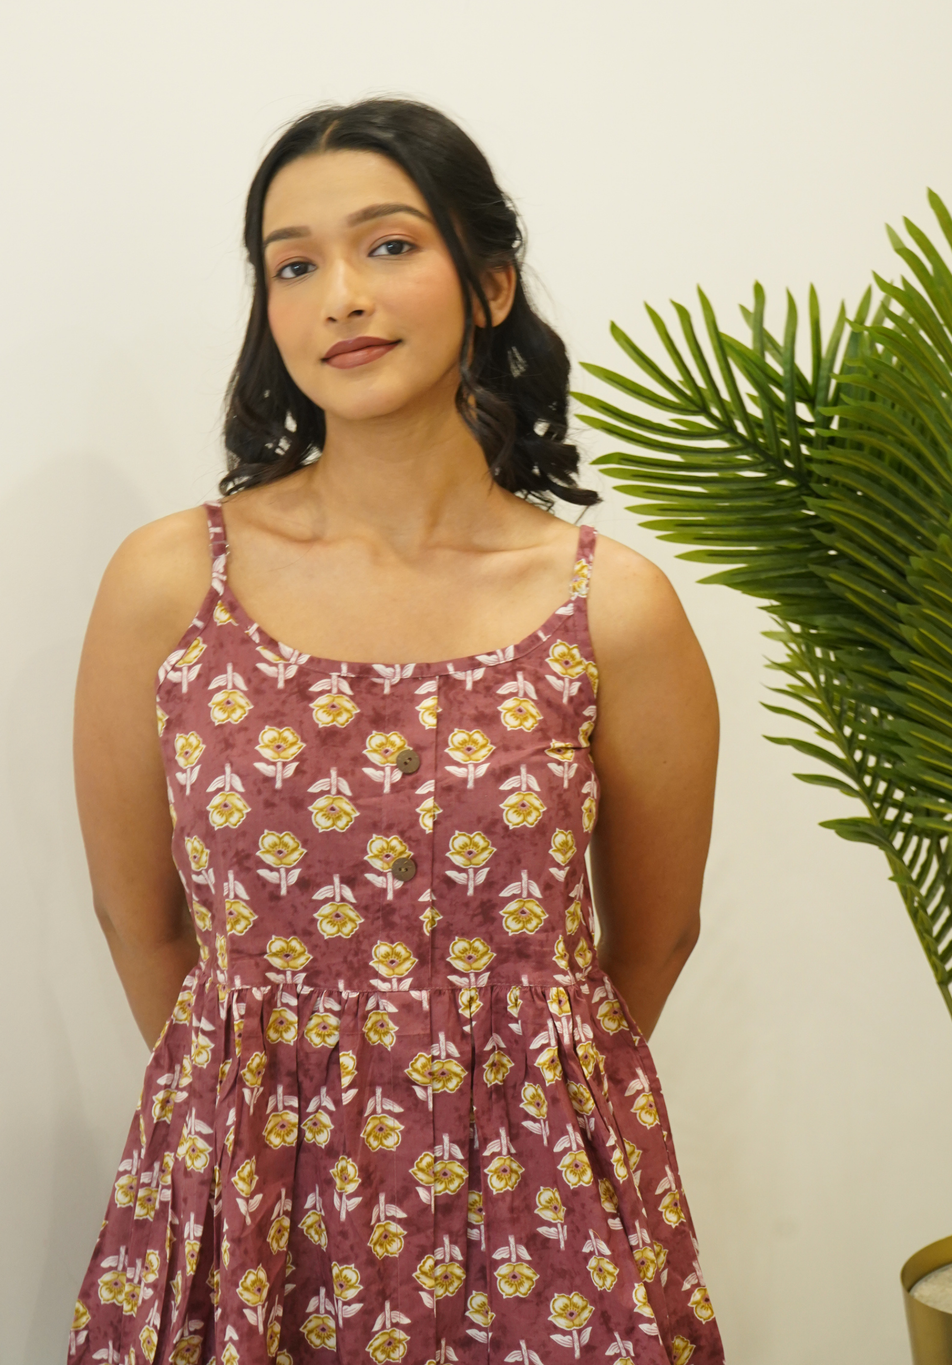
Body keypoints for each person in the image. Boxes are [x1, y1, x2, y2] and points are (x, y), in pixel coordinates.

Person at [67, 97, 724, 1365]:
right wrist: (270, 1101)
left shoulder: (613, 607)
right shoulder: (168, 582)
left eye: (387, 247)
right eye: (294, 265)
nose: (339, 298)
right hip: (242, 1190)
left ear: (487, 283)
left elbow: (654, 935)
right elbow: (140, 920)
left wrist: (503, 1099)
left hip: (542, 1205)